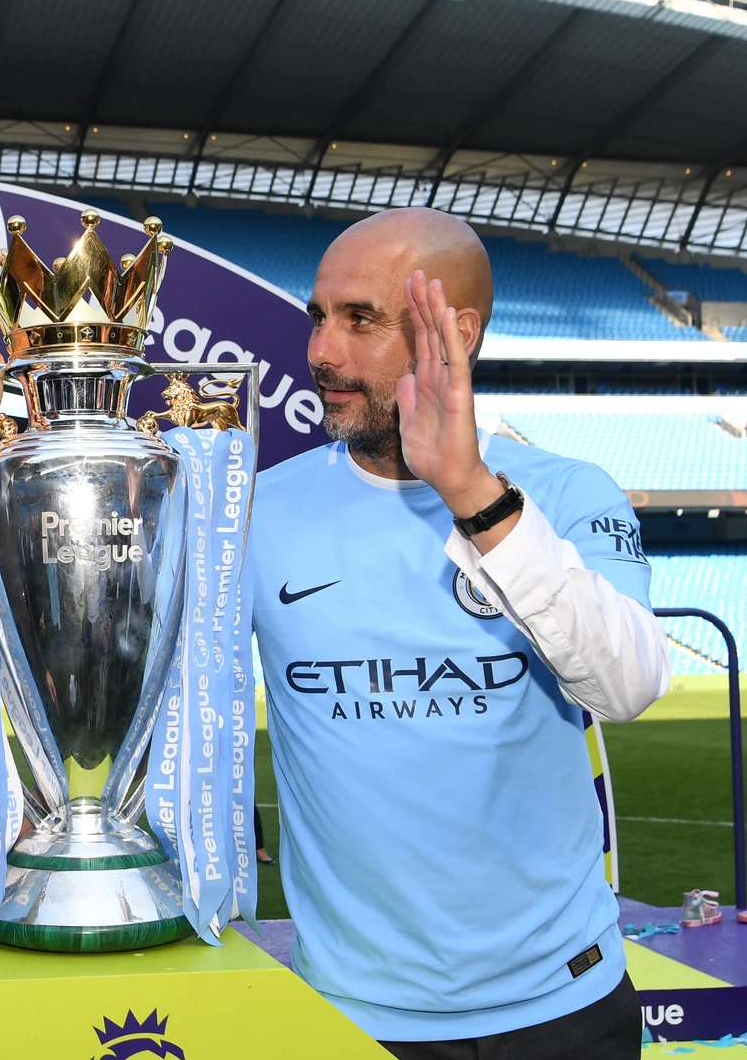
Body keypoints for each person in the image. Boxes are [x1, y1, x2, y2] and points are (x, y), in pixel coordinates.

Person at [246, 209, 670, 1058]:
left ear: (456, 332)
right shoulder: (259, 508)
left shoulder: (567, 491)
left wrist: (473, 493)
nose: (321, 351)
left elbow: (628, 685)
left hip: (564, 1009)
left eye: (359, 319)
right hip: (351, 1018)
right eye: (318, 316)